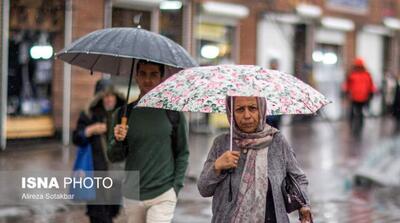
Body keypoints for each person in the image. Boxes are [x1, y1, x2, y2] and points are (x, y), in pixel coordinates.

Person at [197, 96, 312, 223]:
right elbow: (204, 189)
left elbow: (298, 178)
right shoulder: (221, 144)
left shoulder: (277, 142)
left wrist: (304, 205)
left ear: (262, 109)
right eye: (240, 109)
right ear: (231, 112)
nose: (247, 115)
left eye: (252, 108)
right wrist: (216, 167)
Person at [107, 60, 189, 223]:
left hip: (163, 192)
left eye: (154, 74)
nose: (148, 79)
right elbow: (113, 157)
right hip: (133, 192)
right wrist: (118, 140)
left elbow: (182, 153)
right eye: (143, 74)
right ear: (136, 76)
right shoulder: (123, 114)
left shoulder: (173, 113)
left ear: (161, 78)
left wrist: (175, 187)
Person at [72, 79, 125, 223]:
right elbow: (76, 138)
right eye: (105, 96)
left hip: (115, 176)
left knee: (111, 212)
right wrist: (91, 130)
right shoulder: (89, 115)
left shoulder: (122, 116)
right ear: (99, 98)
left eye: (111, 96)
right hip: (95, 174)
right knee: (98, 215)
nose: (109, 100)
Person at [342, 58, 377, 137]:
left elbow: (370, 85)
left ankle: (357, 127)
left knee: (357, 112)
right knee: (356, 112)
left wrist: (371, 93)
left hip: (359, 97)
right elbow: (347, 84)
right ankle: (355, 126)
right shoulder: (362, 74)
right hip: (357, 97)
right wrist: (346, 91)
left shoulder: (356, 74)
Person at [266, 58, 282, 129]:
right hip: (269, 106)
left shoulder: (280, 77)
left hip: (277, 107)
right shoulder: (267, 76)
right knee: (268, 126)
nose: (275, 66)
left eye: (276, 64)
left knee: (276, 127)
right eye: (273, 64)